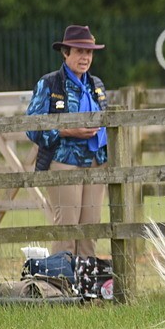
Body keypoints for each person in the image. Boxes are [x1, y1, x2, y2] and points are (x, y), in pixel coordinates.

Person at [26, 25, 109, 257]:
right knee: (67, 226)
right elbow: (31, 127)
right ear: (65, 53)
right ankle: (61, 283)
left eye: (89, 53)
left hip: (95, 161)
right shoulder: (50, 84)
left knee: (91, 226)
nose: (85, 58)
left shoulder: (98, 86)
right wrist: (66, 130)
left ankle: (86, 284)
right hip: (63, 161)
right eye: (79, 51)